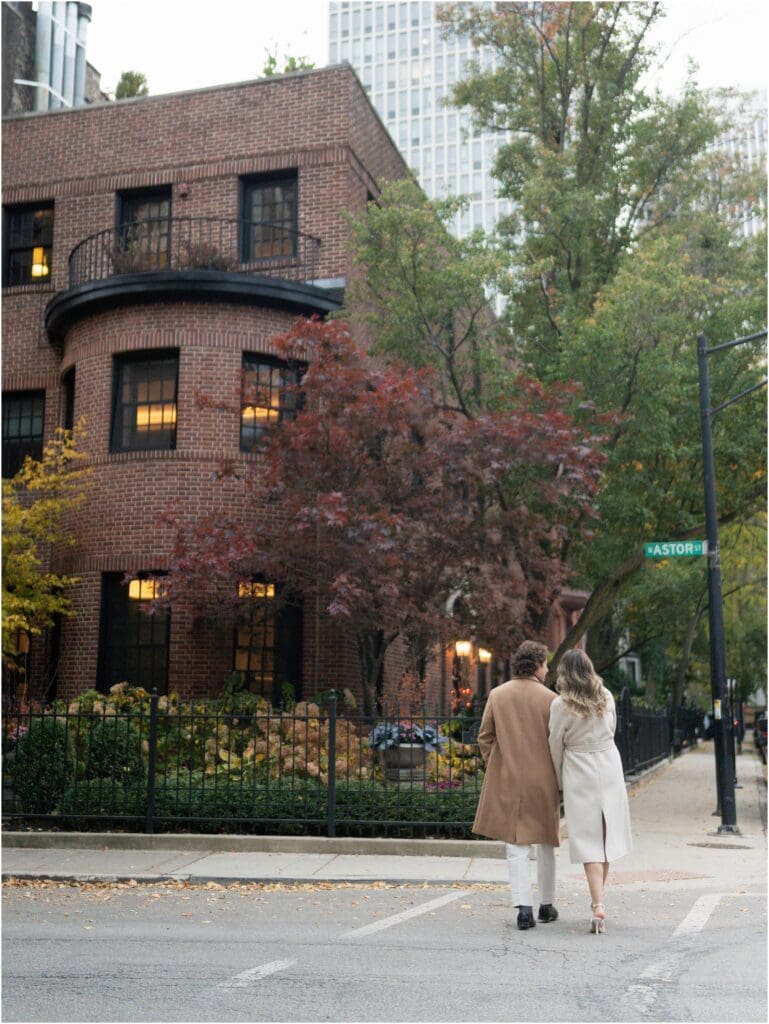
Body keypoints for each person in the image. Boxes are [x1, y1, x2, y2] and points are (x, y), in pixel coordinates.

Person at [472, 640, 560, 930]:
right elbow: (558, 742)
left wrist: (496, 764)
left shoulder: (498, 695)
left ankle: (523, 907)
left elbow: (485, 737)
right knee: (546, 842)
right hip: (543, 780)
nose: (547, 669)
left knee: (516, 844)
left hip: (509, 777)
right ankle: (546, 905)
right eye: (545, 664)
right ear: (536, 665)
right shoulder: (551, 700)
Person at [548, 649, 633, 934]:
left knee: (587, 838)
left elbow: (555, 744)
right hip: (608, 763)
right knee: (606, 835)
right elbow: (612, 727)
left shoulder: (561, 705)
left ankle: (598, 904)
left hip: (579, 767)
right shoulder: (606, 696)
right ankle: (598, 902)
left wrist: (559, 780)